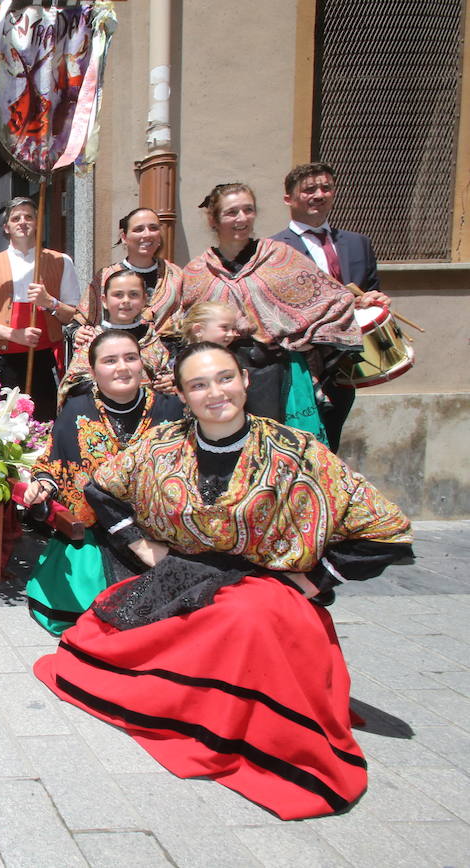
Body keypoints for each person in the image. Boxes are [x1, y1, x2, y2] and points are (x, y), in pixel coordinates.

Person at [34, 342, 413, 820]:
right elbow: (101, 489)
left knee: (242, 620)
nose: (215, 392)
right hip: (185, 578)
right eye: (198, 385)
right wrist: (139, 545)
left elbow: (388, 532)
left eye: (224, 378)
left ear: (245, 381)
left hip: (266, 589)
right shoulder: (162, 444)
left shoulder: (298, 451)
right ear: (184, 395)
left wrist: (315, 581)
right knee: (84, 654)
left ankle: (248, 729)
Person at [22, 330, 183, 635]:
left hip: (157, 531)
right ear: (94, 372)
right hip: (95, 532)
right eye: (110, 361)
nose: (122, 367)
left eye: (130, 358)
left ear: (142, 365)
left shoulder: (170, 409)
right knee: (92, 618)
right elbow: (55, 463)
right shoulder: (77, 409)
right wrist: (42, 485)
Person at [180, 182, 357, 434]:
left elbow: (333, 299)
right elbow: (184, 323)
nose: (242, 218)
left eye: (248, 210)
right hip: (218, 381)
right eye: (231, 212)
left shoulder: (281, 258)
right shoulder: (197, 271)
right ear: (213, 220)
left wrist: (302, 337)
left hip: (277, 374)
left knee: (277, 447)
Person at [268, 162, 389, 451]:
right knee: (297, 445)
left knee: (331, 443)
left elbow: (371, 290)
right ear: (289, 198)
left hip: (346, 365)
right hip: (298, 366)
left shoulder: (359, 243)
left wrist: (376, 300)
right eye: (309, 189)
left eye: (326, 188)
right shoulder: (272, 249)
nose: (319, 195)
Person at [0, 197, 81, 421]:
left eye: (29, 217)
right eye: (16, 218)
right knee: (5, 429)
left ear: (37, 223)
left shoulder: (61, 261)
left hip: (47, 363)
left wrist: (50, 303)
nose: (23, 222)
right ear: (6, 228)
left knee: (48, 425)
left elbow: (75, 316)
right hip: (4, 363)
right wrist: (14, 334)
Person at [58, 268, 173, 409]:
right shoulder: (92, 339)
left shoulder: (152, 339)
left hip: (148, 418)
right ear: (104, 301)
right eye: (118, 295)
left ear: (144, 300)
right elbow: (72, 385)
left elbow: (166, 376)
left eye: (134, 295)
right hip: (101, 420)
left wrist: (167, 383)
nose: (126, 301)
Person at [76, 208, 184, 328]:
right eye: (138, 229)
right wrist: (79, 333)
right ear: (124, 237)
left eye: (153, 228)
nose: (147, 234)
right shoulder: (105, 277)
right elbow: (80, 320)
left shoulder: (175, 275)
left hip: (167, 346)